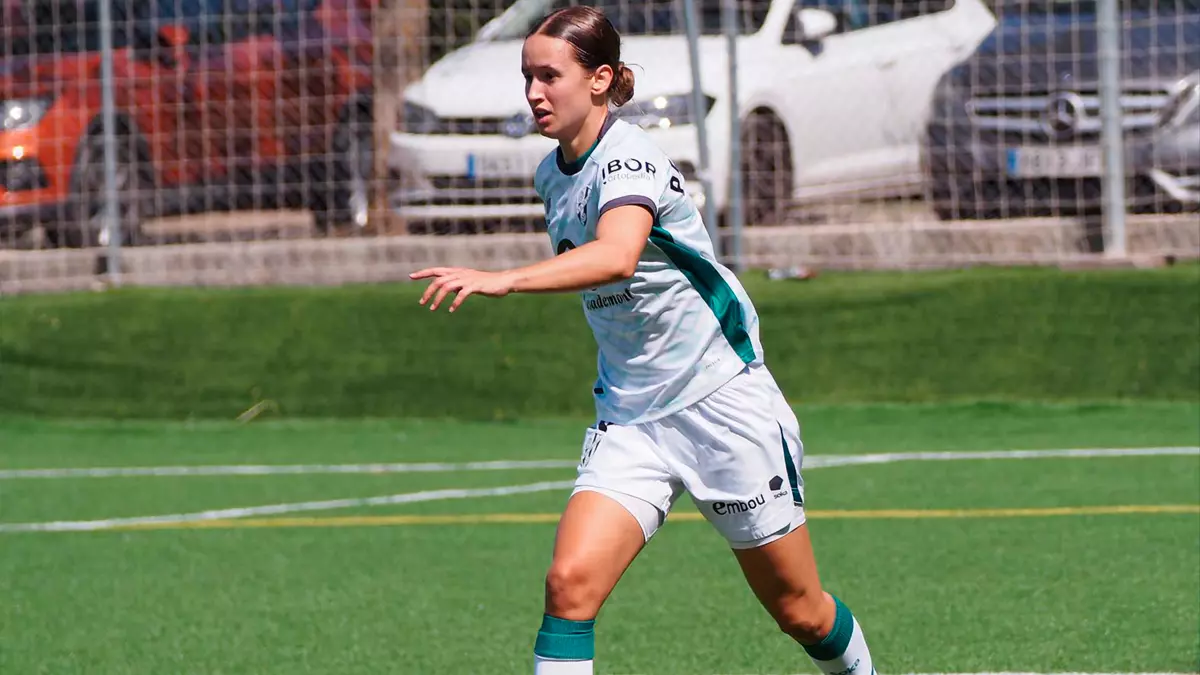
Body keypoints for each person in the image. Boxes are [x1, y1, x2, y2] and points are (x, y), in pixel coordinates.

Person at [409, 6, 877, 675]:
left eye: (550, 76)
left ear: (600, 79)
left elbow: (616, 256)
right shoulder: (551, 174)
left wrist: (505, 279)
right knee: (570, 585)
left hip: (720, 402)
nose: (534, 92)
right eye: (527, 77)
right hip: (632, 415)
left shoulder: (628, 159)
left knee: (800, 610)